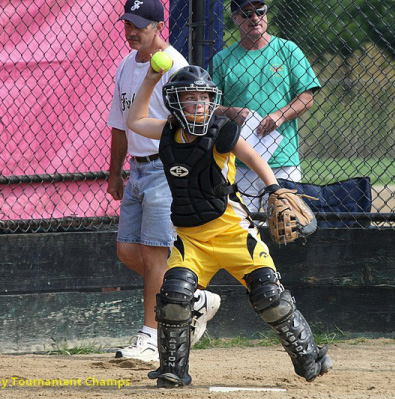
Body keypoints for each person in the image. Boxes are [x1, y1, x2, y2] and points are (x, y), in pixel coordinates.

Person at [126, 64, 332, 387]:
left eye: (204, 98)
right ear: (176, 103)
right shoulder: (169, 131)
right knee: (173, 296)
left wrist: (274, 188)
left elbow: (253, 157)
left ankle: (310, 357)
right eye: (191, 99)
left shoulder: (220, 131)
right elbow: (134, 121)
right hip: (190, 240)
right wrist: (151, 79)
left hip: (233, 233)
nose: (199, 105)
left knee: (269, 296)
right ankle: (173, 370)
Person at [106, 0, 220, 362]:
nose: (131, 31)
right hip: (137, 169)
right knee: (128, 251)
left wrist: (186, 172)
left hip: (165, 169)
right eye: (128, 23)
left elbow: (196, 126)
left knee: (155, 254)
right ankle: (193, 298)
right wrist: (115, 171)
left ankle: (151, 338)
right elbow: (120, 124)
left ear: (159, 26)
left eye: (140, 25)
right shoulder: (126, 65)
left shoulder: (177, 67)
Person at [211, 0, 321, 213]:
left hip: (283, 159)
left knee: (286, 225)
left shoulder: (288, 50)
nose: (254, 18)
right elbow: (210, 107)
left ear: (266, 14)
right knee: (246, 227)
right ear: (235, 19)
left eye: (259, 12)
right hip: (240, 162)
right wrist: (232, 112)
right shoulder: (222, 60)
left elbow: (307, 97)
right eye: (247, 13)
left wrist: (280, 115)